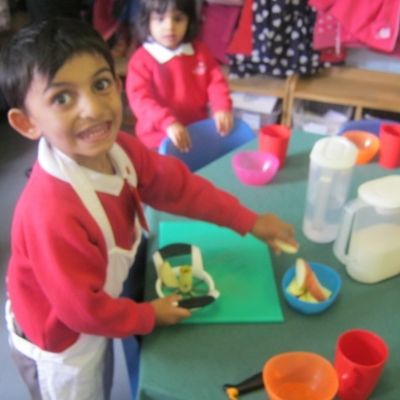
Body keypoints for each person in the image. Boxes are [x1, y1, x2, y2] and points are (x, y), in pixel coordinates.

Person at [0, 17, 297, 400]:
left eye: (100, 84)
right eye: (62, 98)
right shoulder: (51, 213)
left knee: (102, 378)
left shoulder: (121, 150)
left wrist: (249, 221)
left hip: (95, 312)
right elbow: (82, 312)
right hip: (59, 340)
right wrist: (147, 315)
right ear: (27, 123)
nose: (93, 108)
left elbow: (180, 188)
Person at [125, 0, 234, 151]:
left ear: (189, 21)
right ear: (147, 21)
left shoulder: (200, 51)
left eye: (178, 19)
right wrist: (167, 122)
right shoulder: (140, 60)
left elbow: (216, 81)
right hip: (156, 140)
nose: (169, 27)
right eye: (160, 19)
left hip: (195, 133)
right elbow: (140, 101)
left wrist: (222, 106)